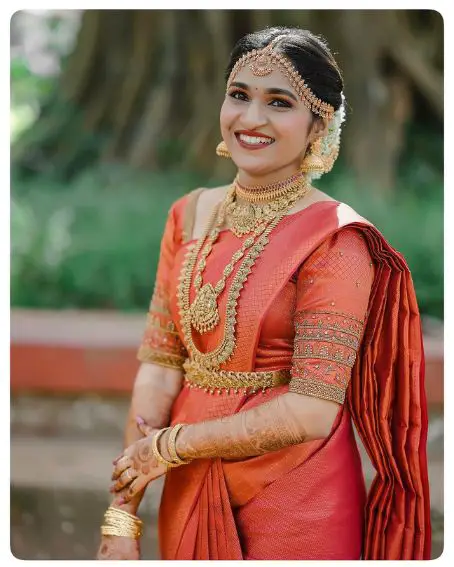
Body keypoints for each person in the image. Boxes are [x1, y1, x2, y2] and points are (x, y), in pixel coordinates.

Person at [96, 26, 431, 560]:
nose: (251, 120)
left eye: (279, 103)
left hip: (296, 493)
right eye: (239, 95)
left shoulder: (336, 240)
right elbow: (161, 369)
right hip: (189, 482)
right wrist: (122, 515)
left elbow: (311, 411)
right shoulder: (187, 215)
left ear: (318, 123)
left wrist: (172, 446)